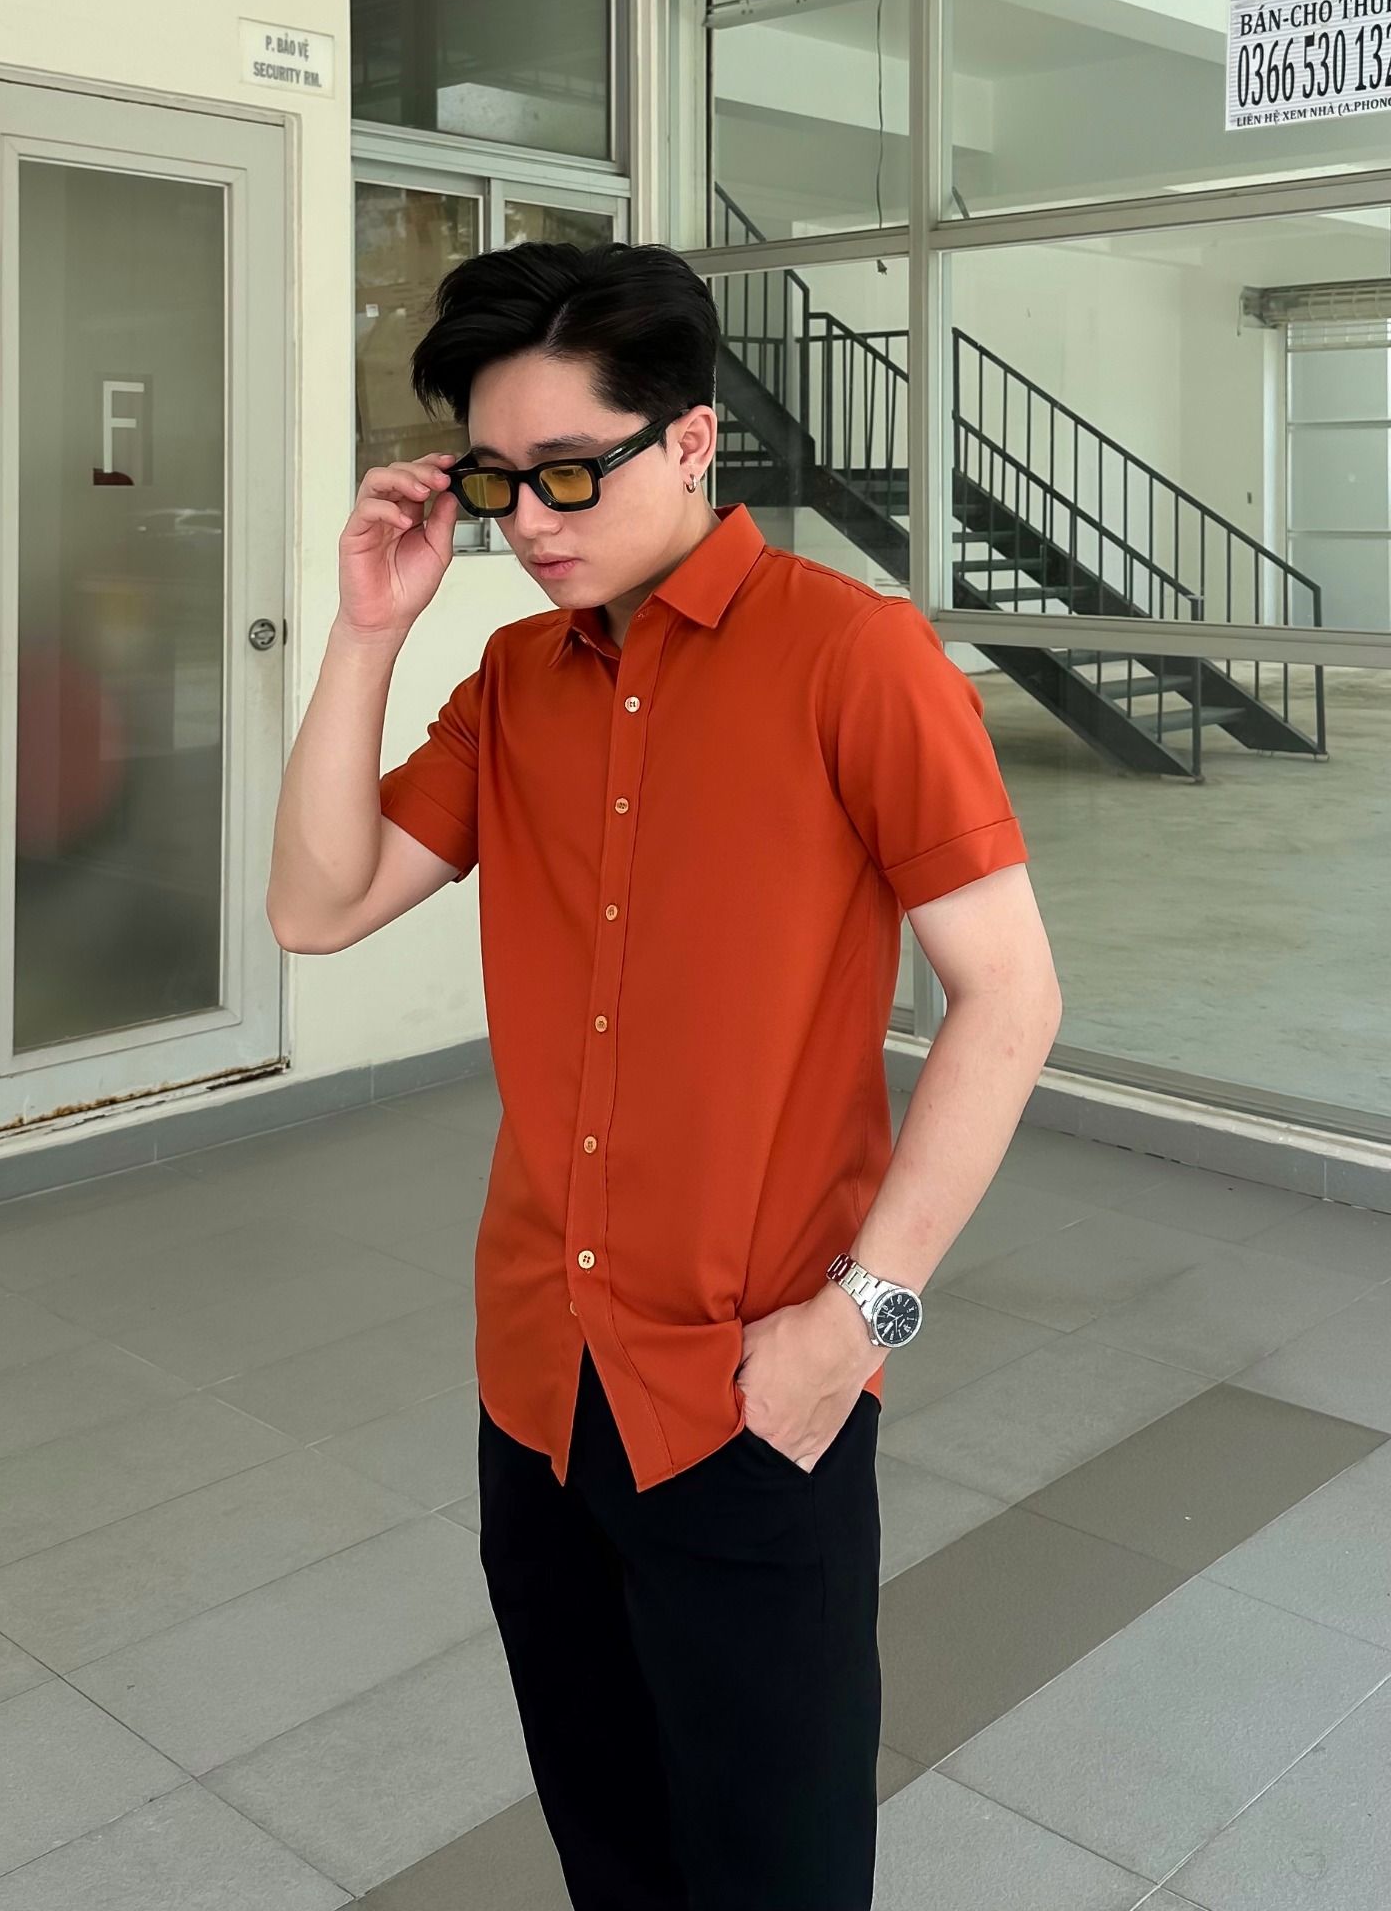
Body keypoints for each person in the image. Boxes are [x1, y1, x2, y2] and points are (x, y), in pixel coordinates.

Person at [266, 241, 1062, 1910]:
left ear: (691, 441)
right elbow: (315, 906)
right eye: (498, 481)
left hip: (755, 1390)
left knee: (775, 1869)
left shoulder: (854, 656)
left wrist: (860, 1324)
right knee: (610, 1845)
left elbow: (1010, 999)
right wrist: (365, 633)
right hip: (540, 1382)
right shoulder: (513, 682)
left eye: (570, 470)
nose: (529, 522)